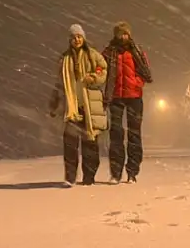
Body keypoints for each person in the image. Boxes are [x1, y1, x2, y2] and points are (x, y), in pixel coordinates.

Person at [48, 24, 108, 187]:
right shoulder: (64, 59)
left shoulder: (92, 55)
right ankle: (70, 177)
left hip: (89, 105)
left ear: (84, 38)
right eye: (74, 37)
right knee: (70, 144)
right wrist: (54, 103)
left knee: (90, 143)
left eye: (79, 36)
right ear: (70, 39)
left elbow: (103, 70)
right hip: (71, 107)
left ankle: (89, 177)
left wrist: (94, 77)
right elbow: (59, 83)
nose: (77, 40)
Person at [102, 21, 153, 184]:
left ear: (129, 34)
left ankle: (132, 172)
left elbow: (145, 70)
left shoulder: (136, 51)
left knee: (134, 135)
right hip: (116, 97)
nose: (123, 36)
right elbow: (100, 68)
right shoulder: (109, 52)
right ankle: (116, 173)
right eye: (120, 33)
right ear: (115, 35)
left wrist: (138, 82)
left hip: (134, 97)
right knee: (116, 135)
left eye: (125, 33)